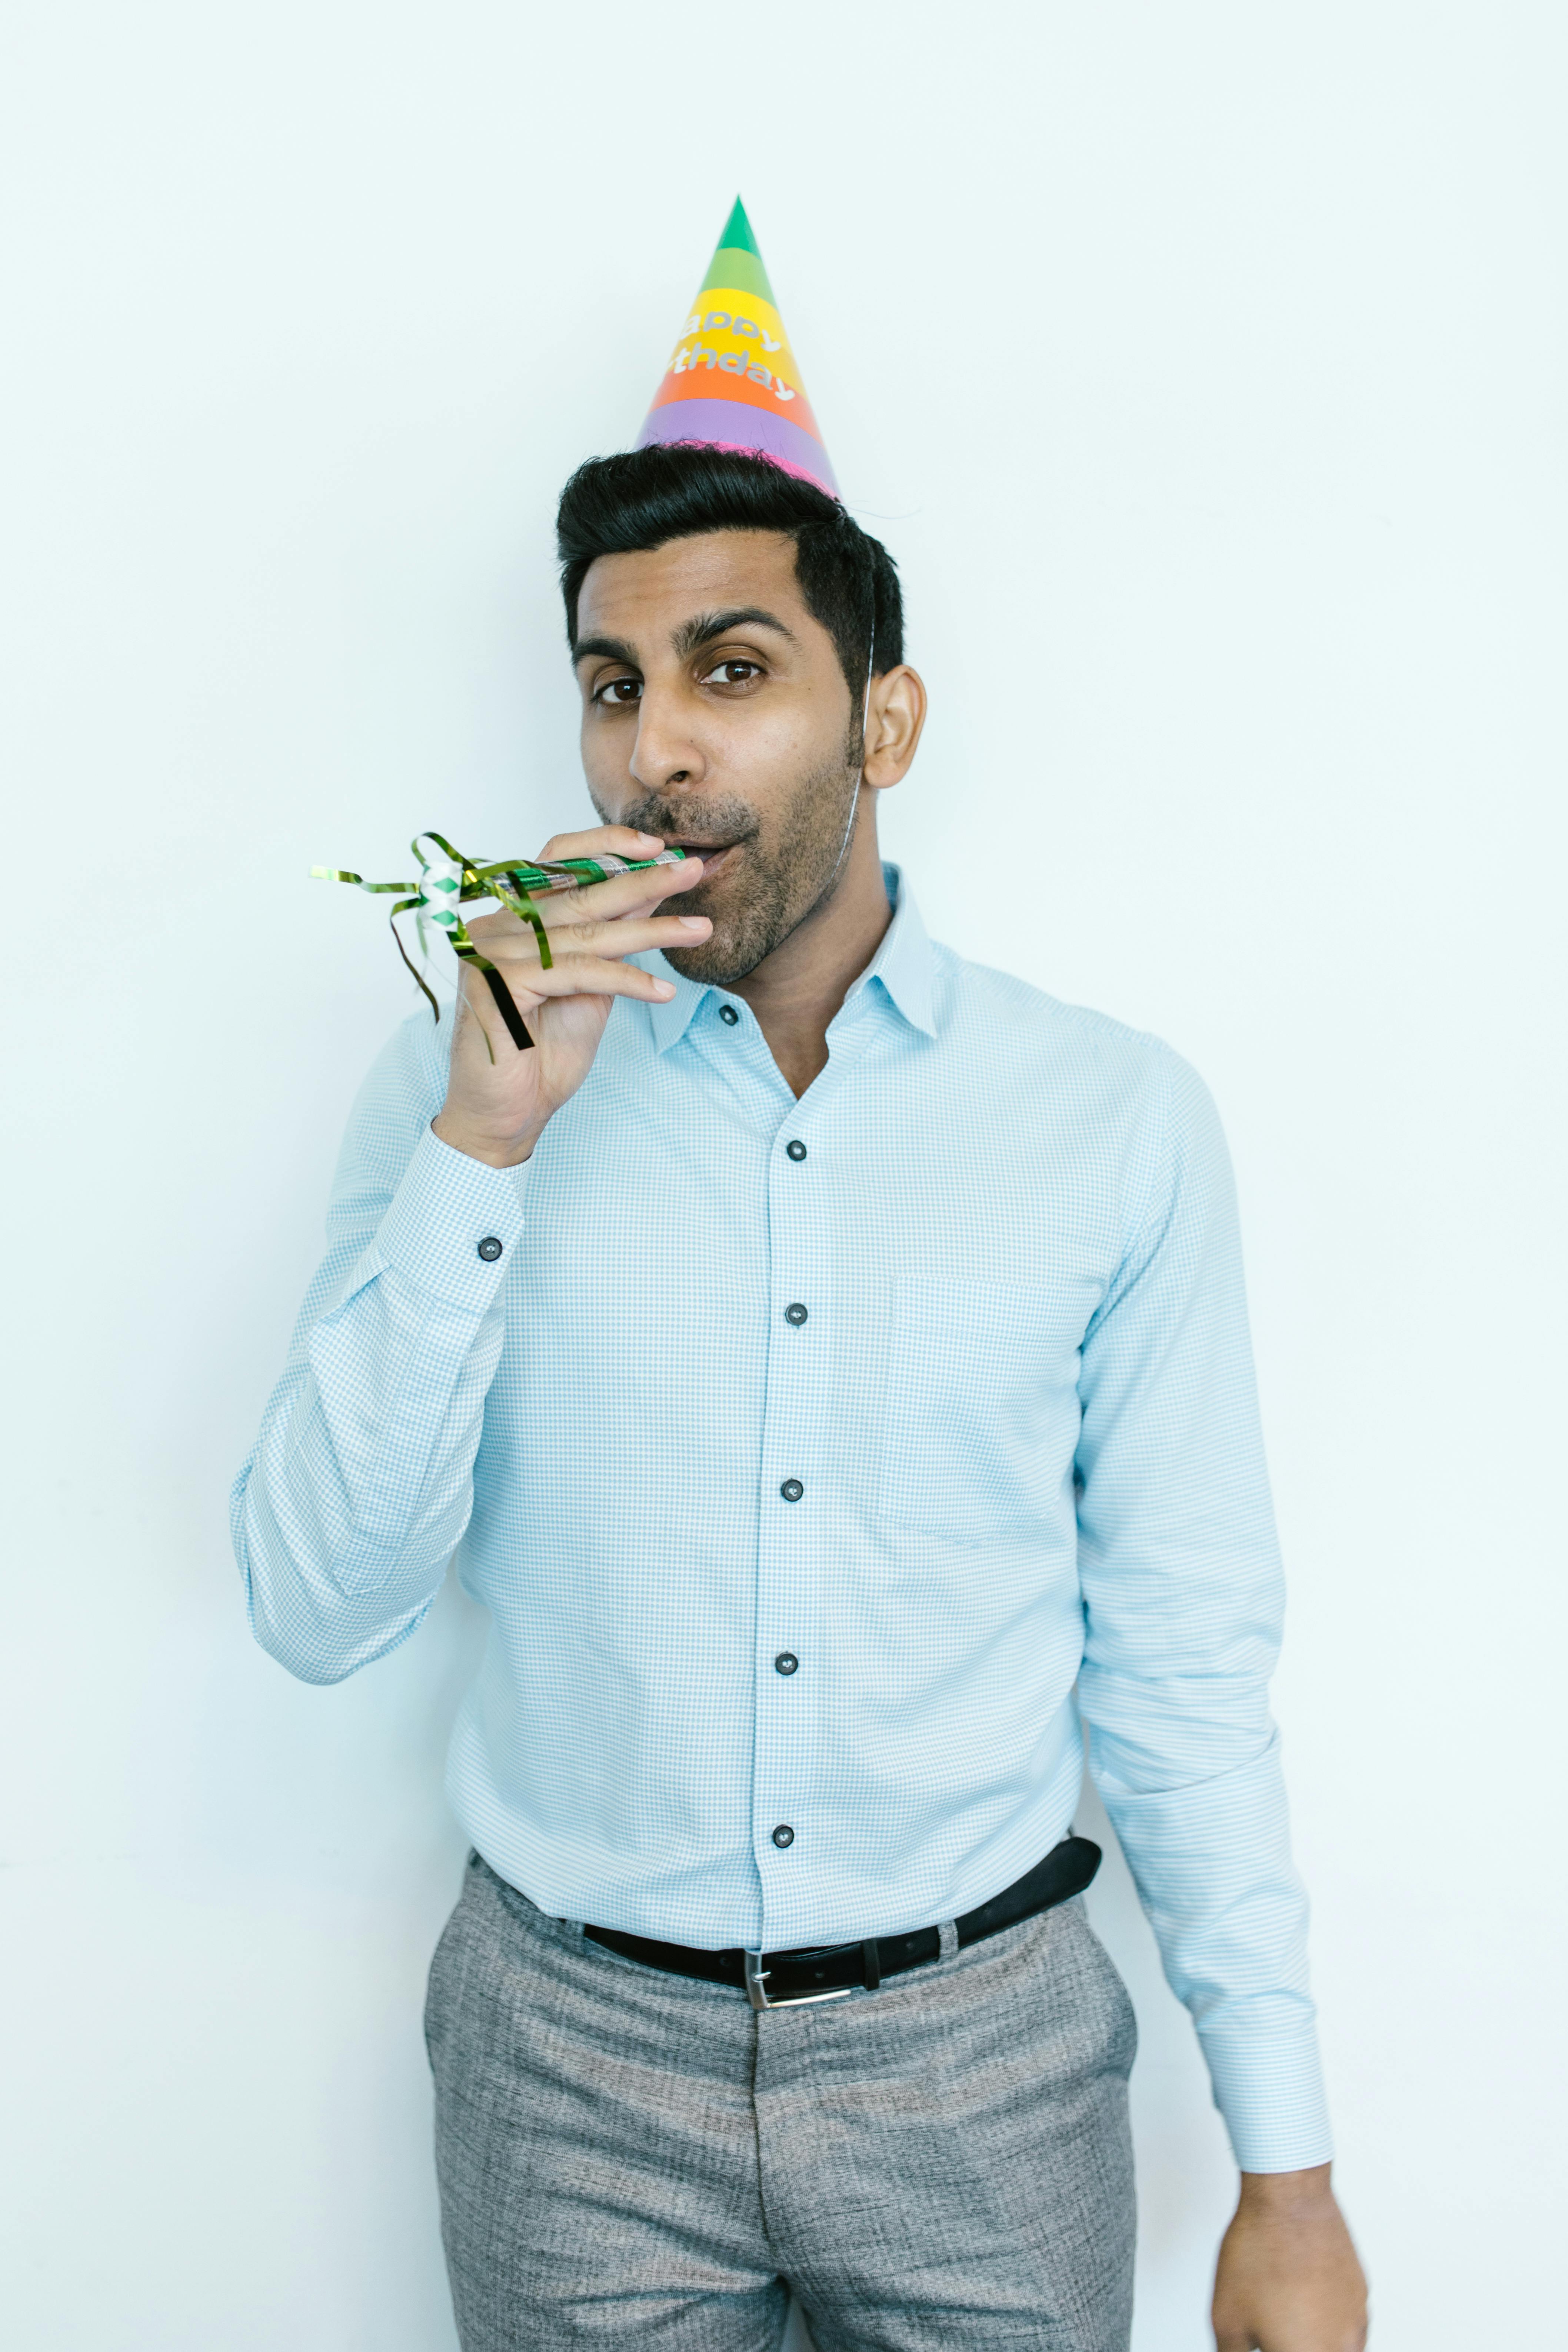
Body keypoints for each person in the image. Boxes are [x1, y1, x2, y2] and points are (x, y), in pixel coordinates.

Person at [233, 206, 1368, 2352]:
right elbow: (312, 1610)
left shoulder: (1112, 1122)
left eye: (731, 674)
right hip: (567, 2077)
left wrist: (1288, 2167)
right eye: (614, 684)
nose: (656, 750)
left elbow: (1190, 1667)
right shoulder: (458, 1079)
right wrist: (487, 1146)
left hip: (989, 2071)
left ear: (889, 716)